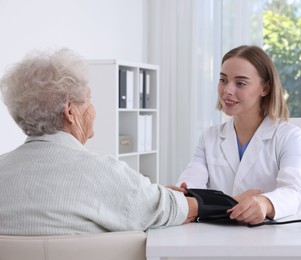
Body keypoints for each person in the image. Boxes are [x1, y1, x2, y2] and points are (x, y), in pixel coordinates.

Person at [0, 48, 198, 235]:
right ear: (70, 111)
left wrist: (153, 194)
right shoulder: (105, 174)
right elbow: (176, 209)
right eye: (89, 100)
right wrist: (168, 198)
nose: (93, 110)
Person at [174, 45, 301, 225]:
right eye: (223, 80)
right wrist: (180, 195)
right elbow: (190, 188)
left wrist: (265, 203)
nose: (227, 90)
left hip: (268, 237)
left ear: (265, 89)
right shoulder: (209, 137)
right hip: (214, 235)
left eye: (240, 83)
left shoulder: (289, 136)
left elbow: (293, 193)